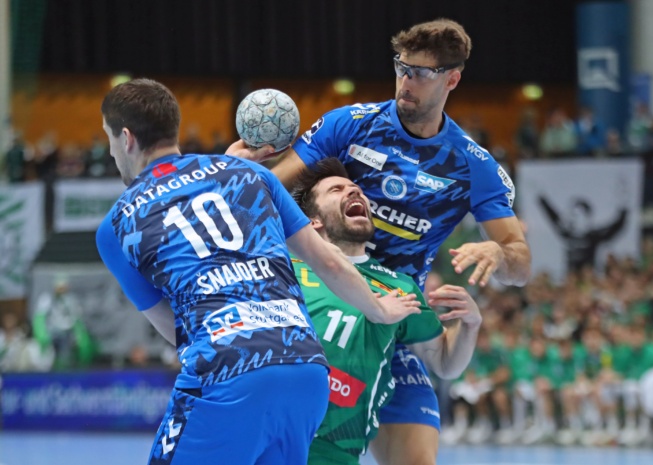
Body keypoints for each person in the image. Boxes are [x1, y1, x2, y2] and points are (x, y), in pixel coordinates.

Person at [228, 19, 531, 465]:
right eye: (401, 67)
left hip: (396, 322)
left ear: (452, 79)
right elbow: (270, 193)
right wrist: (237, 173)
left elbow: (520, 266)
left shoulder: (472, 165)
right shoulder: (350, 125)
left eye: (421, 73)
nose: (406, 81)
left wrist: (499, 253)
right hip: (323, 307)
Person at [95, 78, 420, 465]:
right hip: (307, 371)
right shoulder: (249, 174)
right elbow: (329, 261)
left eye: (109, 138)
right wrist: (379, 309)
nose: (111, 151)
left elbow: (174, 328)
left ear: (126, 138)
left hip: (228, 370)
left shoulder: (116, 227)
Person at [290, 158, 483, 464]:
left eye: (357, 189)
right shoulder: (284, 267)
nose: (354, 192)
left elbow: (445, 363)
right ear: (314, 221)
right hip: (269, 433)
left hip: (334, 451)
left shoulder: (399, 287)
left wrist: (470, 324)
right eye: (336, 190)